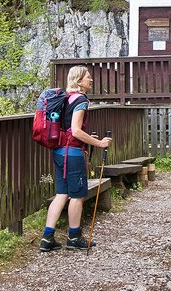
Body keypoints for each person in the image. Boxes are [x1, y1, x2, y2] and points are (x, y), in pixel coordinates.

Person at [40, 66, 112, 251]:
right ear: (79, 81)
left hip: (59, 151)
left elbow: (67, 128)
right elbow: (76, 130)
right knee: (77, 196)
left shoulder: (64, 98)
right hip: (72, 154)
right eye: (88, 77)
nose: (91, 80)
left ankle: (47, 239)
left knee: (61, 194)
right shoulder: (80, 100)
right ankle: (74, 237)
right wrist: (100, 144)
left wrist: (89, 139)